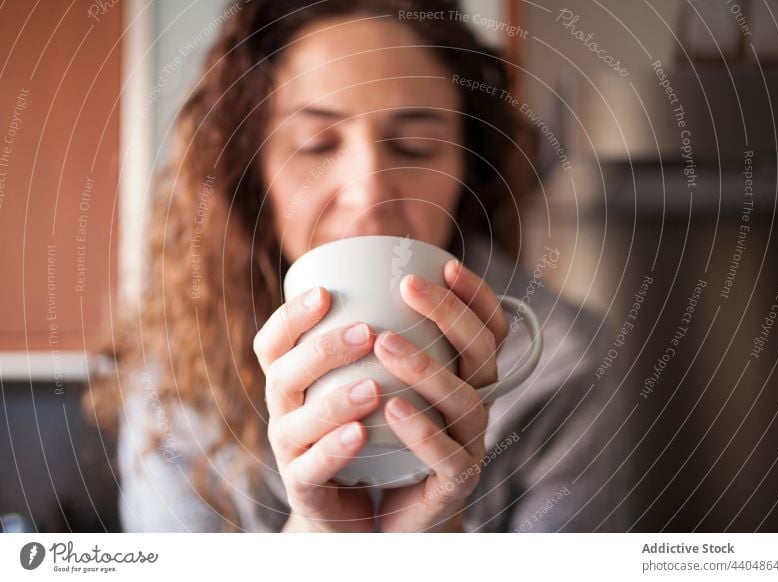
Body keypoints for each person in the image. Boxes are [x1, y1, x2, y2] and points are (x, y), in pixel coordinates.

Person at [98, 0, 630, 532]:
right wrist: (316, 536)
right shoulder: (179, 371)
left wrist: (437, 538)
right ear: (253, 174)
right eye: (316, 144)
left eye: (417, 146)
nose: (370, 191)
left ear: (466, 168)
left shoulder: (564, 360)